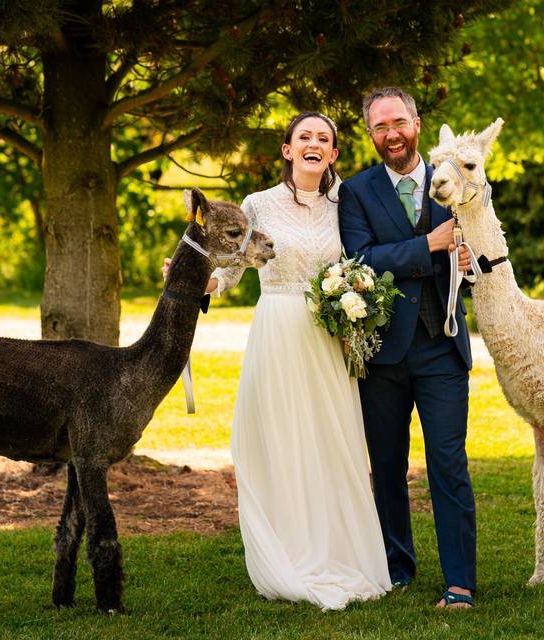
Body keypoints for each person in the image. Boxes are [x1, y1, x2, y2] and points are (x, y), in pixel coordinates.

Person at [166, 112, 391, 610]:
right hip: (277, 332)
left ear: (333, 154)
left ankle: (339, 550)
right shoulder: (258, 204)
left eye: (324, 140)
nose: (314, 144)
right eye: (304, 137)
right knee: (282, 442)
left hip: (329, 339)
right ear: (288, 150)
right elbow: (232, 268)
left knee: (333, 445)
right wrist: (204, 281)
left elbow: (364, 259)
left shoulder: (345, 203)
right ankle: (290, 553)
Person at [338, 87, 477, 609]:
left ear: (417, 122)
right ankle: (398, 567)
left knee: (448, 462)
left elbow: (484, 251)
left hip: (442, 346)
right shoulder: (357, 192)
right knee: (388, 466)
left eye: (398, 122)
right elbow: (362, 258)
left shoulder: (456, 179)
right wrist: (429, 246)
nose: (391, 134)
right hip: (383, 354)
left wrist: (469, 263)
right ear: (371, 135)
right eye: (380, 127)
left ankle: (460, 581)